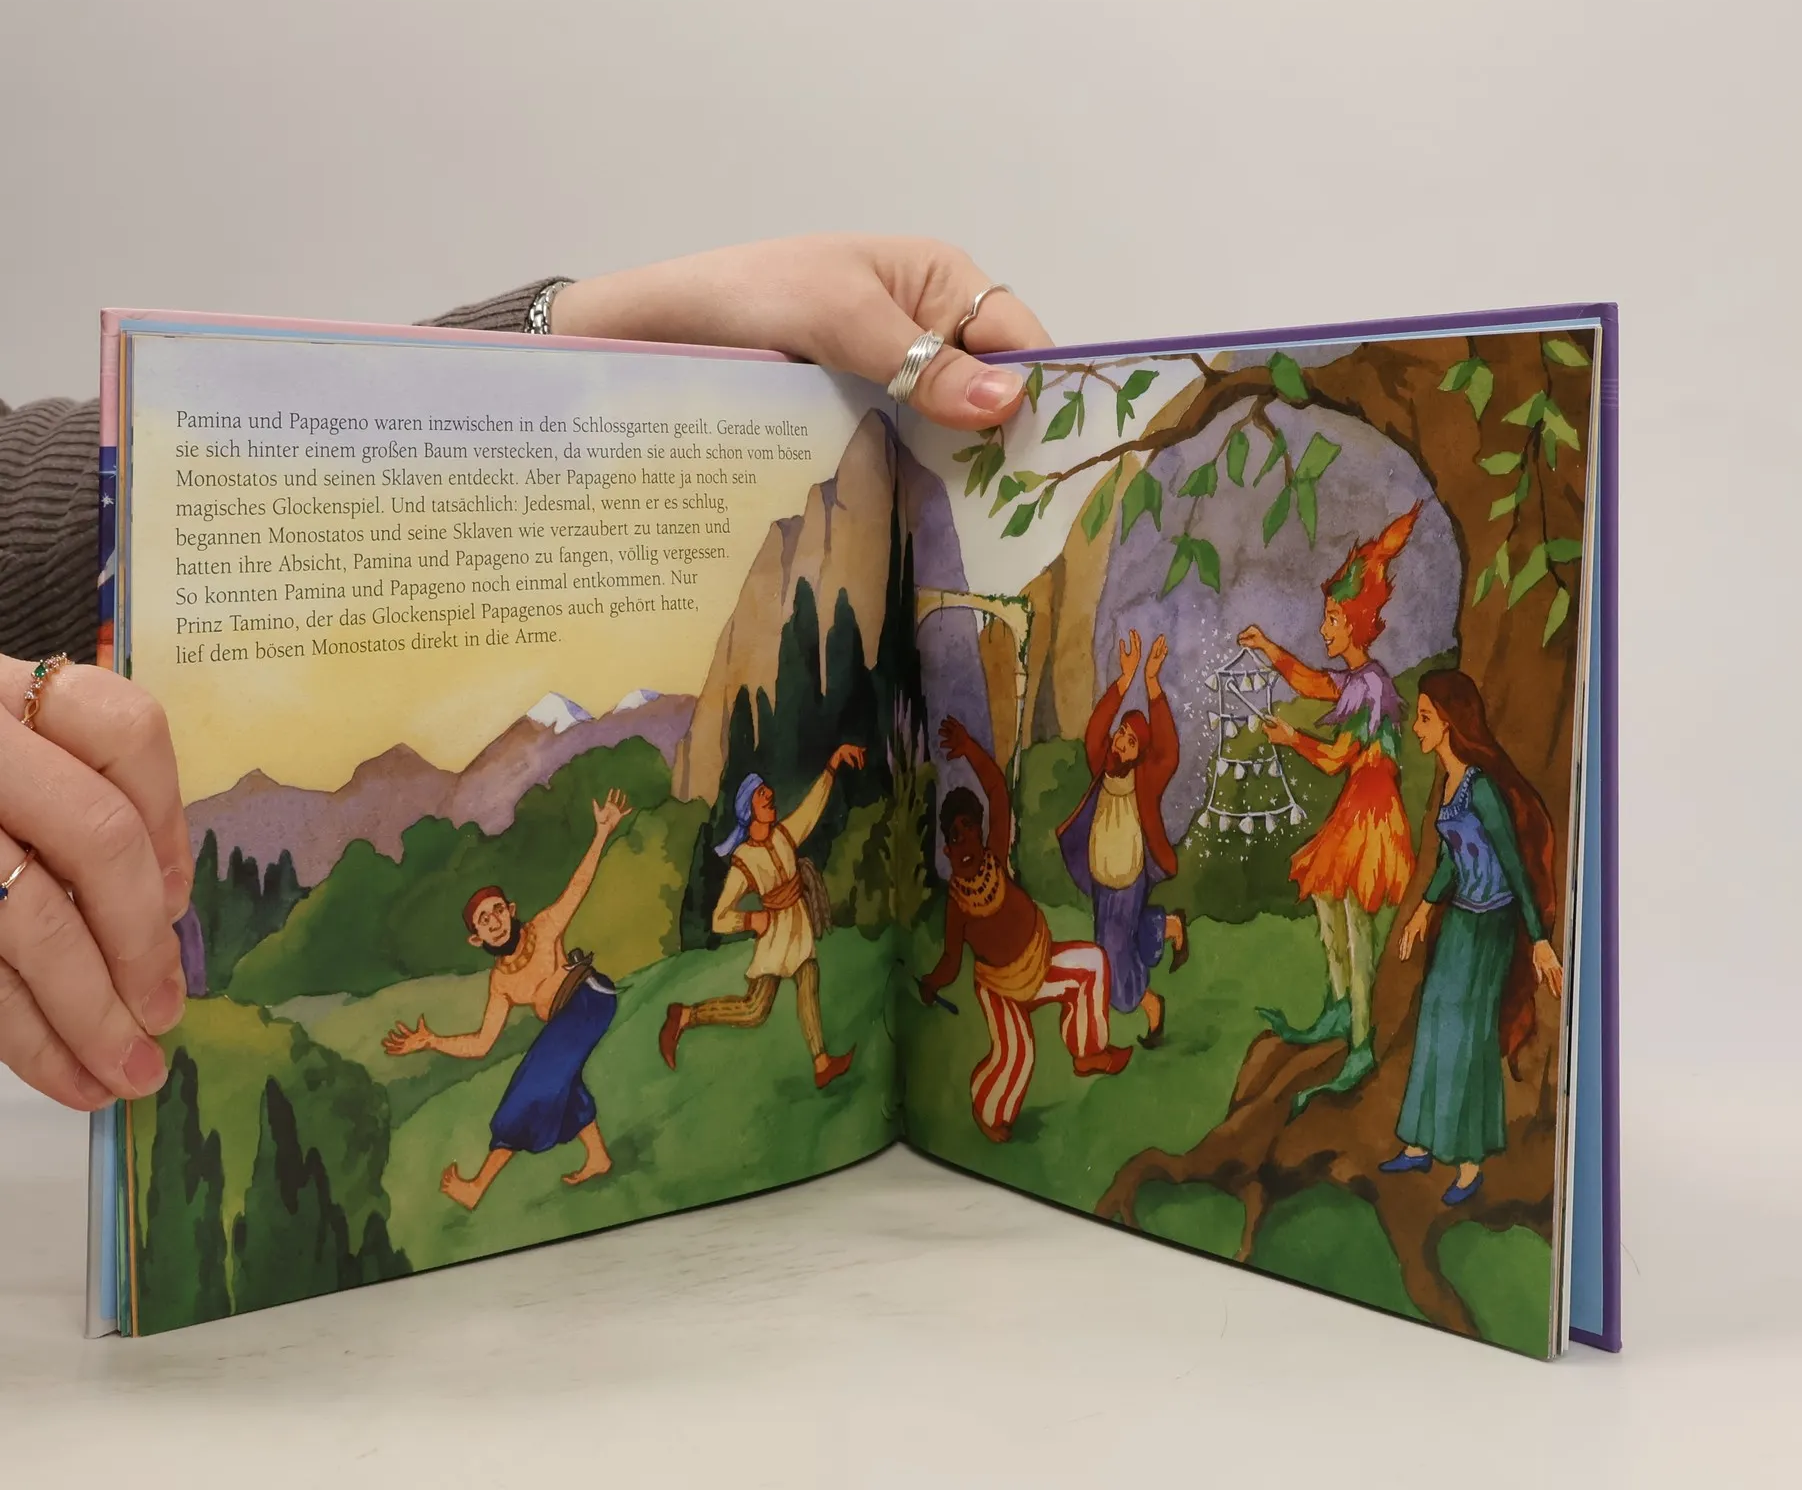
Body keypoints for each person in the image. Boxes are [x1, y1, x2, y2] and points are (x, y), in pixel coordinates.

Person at [0, 237, 1049, 1109]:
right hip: (729, 947)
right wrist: (740, 911)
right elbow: (717, 899)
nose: (771, 803)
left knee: (794, 1000)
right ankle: (691, 1018)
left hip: (735, 945)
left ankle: (770, 1045)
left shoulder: (733, 845)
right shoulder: (720, 864)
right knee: (755, 1003)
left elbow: (34, 496)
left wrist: (576, 332)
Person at [1238, 501, 1421, 1103]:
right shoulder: (1354, 678)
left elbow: (1338, 757)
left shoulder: (1371, 685)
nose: (1324, 630)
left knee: (1356, 919)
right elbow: (1309, 681)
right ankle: (1341, 1007)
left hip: (1373, 807)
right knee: (1325, 893)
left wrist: (1290, 738)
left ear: (1355, 624)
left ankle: (1363, 1039)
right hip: (1356, 803)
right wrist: (1267, 647)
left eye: (1332, 620)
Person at [381, 789, 632, 1209]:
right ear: (476, 938)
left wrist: (602, 832)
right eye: (484, 920)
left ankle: (477, 1186)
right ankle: (598, 1157)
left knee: (530, 1087)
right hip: (567, 1021)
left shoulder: (544, 928)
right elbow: (482, 1043)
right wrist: (432, 1040)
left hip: (589, 999)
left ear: (512, 910)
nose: (494, 921)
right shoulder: (500, 982)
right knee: (563, 1083)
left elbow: (578, 886)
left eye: (498, 910)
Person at [1380, 670, 1563, 1205]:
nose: (1417, 727)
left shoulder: (1482, 787)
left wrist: (1539, 939)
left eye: (1425, 718)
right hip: (1461, 916)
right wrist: (1423, 911)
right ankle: (1419, 1143)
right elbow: (1449, 861)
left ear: (1450, 723)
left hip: (1493, 923)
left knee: (1472, 1032)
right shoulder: (1450, 782)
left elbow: (1513, 864)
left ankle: (1468, 1164)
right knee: (1436, 1014)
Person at [920, 717, 1131, 1142]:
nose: (965, 845)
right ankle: (988, 1110)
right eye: (956, 839)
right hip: (1001, 989)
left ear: (981, 835)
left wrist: (970, 748)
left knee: (1092, 965)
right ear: (947, 849)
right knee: (1018, 1055)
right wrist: (931, 984)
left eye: (969, 833)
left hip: (1040, 962)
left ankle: (1088, 1052)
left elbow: (998, 793)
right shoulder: (957, 906)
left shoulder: (995, 858)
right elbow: (951, 960)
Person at [657, 743, 866, 1088]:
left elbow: (811, 808)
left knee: (808, 978)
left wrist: (833, 762)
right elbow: (719, 918)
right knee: (754, 1010)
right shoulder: (744, 860)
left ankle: (821, 1063)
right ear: (749, 809)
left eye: (767, 791)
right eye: (761, 794)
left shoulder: (784, 834)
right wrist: (751, 920)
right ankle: (686, 1015)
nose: (770, 795)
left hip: (797, 928)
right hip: (775, 937)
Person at [1053, 631, 1188, 1044]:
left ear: (1138, 753)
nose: (1121, 743)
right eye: (1122, 734)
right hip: (1101, 878)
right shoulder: (1103, 765)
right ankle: (1167, 926)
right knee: (1116, 941)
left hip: (1127, 879)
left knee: (1110, 955)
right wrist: (1124, 680)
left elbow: (1169, 754)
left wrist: (1152, 685)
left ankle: (1149, 1006)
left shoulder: (1145, 778)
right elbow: (1095, 732)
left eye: (1131, 742)